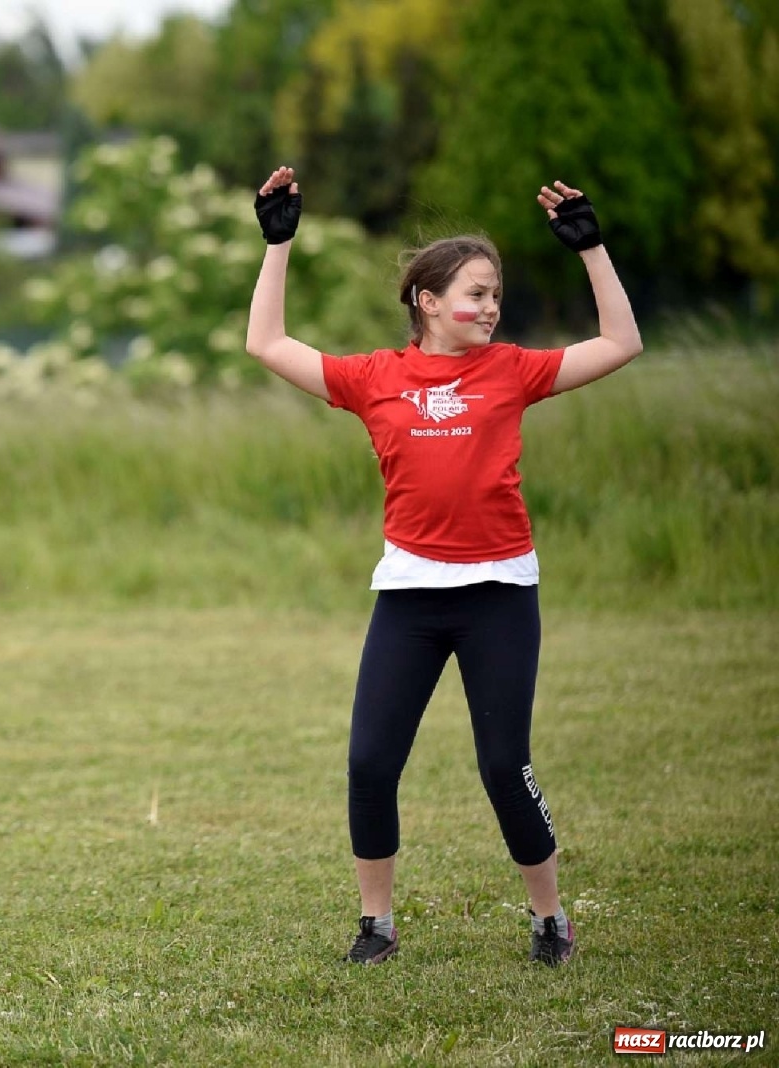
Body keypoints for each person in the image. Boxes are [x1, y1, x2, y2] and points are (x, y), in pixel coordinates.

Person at [244, 167, 641, 966]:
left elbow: (623, 344)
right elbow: (265, 343)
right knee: (369, 762)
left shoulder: (513, 370)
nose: (490, 307)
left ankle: (549, 919)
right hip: (411, 598)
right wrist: (278, 245)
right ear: (426, 301)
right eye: (474, 293)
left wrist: (593, 250)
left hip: (500, 594)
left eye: (495, 294)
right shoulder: (374, 379)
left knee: (503, 766)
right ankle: (376, 925)